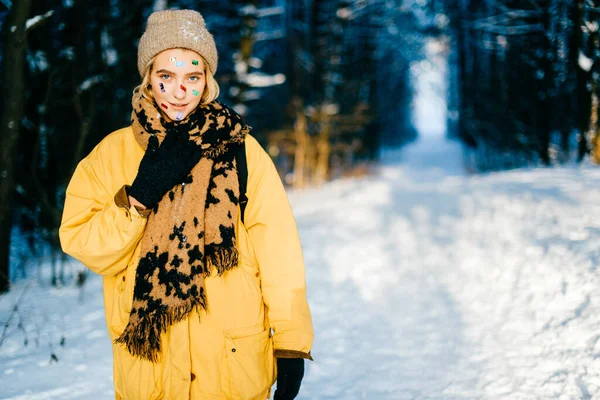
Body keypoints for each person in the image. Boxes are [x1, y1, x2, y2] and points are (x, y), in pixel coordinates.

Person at [59, 9, 314, 400]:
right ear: (147, 79)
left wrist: (291, 343)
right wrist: (139, 196)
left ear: (207, 81)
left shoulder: (241, 150)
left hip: (232, 366)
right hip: (151, 370)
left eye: (192, 78)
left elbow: (279, 253)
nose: (179, 91)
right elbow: (88, 247)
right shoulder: (109, 156)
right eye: (166, 77)